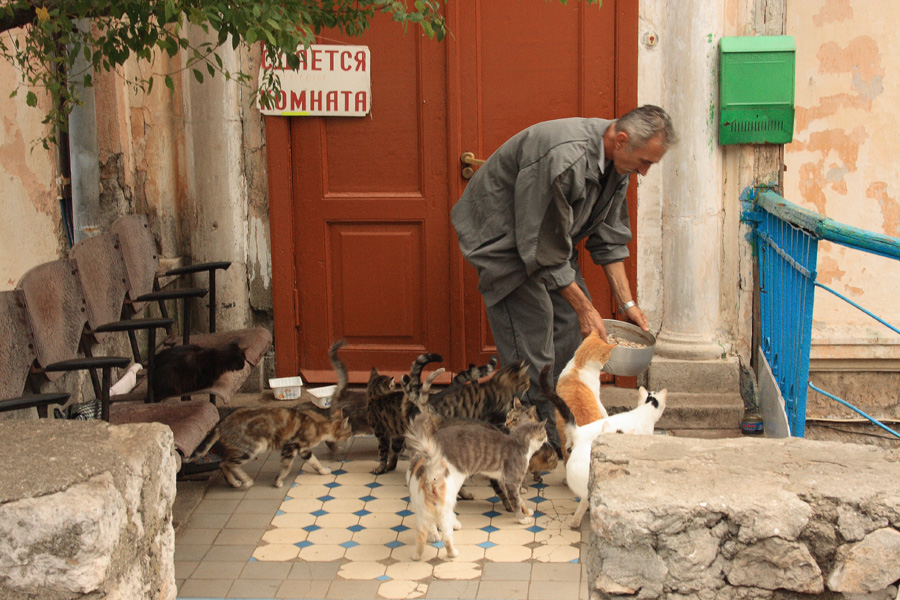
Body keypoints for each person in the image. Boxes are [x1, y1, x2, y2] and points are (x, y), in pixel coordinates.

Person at [451, 105, 676, 444]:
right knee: (534, 348)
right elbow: (539, 247)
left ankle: (564, 430)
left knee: (570, 328)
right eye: (645, 162)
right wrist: (587, 307)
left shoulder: (619, 162)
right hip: (503, 243)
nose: (644, 172)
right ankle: (540, 443)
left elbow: (609, 237)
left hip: (548, 242)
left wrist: (627, 303)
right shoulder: (563, 160)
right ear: (622, 139)